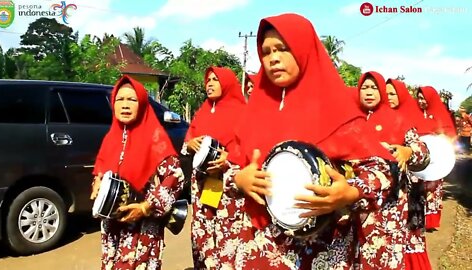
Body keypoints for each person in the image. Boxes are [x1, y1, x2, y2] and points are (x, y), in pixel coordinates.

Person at [226, 13, 403, 269]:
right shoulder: (253, 113)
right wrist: (239, 180)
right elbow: (232, 167)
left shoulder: (337, 111)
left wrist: (350, 192)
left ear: (304, 49)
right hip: (260, 246)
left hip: (322, 250)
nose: (273, 58)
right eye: (266, 52)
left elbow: (382, 171)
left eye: (283, 49)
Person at [90, 75, 185, 270]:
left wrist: (145, 207)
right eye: (120, 99)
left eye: (132, 100)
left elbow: (175, 177)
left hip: (143, 226)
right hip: (113, 225)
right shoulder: (111, 137)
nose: (125, 105)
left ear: (142, 103)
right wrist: (97, 182)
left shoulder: (155, 136)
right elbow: (101, 169)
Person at [181, 66, 247, 269]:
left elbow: (251, 146)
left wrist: (230, 157)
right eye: (207, 80)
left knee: (228, 236)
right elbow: (188, 141)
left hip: (228, 187)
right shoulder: (202, 112)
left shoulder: (243, 111)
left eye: (215, 79)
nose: (209, 83)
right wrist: (190, 144)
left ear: (226, 83)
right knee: (203, 235)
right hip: (202, 187)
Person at [386, 78, 434, 270]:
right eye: (386, 93)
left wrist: (407, 154)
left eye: (392, 93)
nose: (388, 97)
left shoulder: (408, 120)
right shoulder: (374, 119)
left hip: (408, 187)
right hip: (383, 189)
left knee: (408, 233)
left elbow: (422, 150)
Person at [416, 86, 457, 230]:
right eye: (419, 98)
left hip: (435, 158)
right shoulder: (414, 113)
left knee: (432, 189)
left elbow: (450, 134)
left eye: (424, 98)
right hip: (419, 157)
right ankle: (417, 218)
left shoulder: (441, 114)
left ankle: (431, 221)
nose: (421, 101)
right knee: (417, 187)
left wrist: (440, 139)